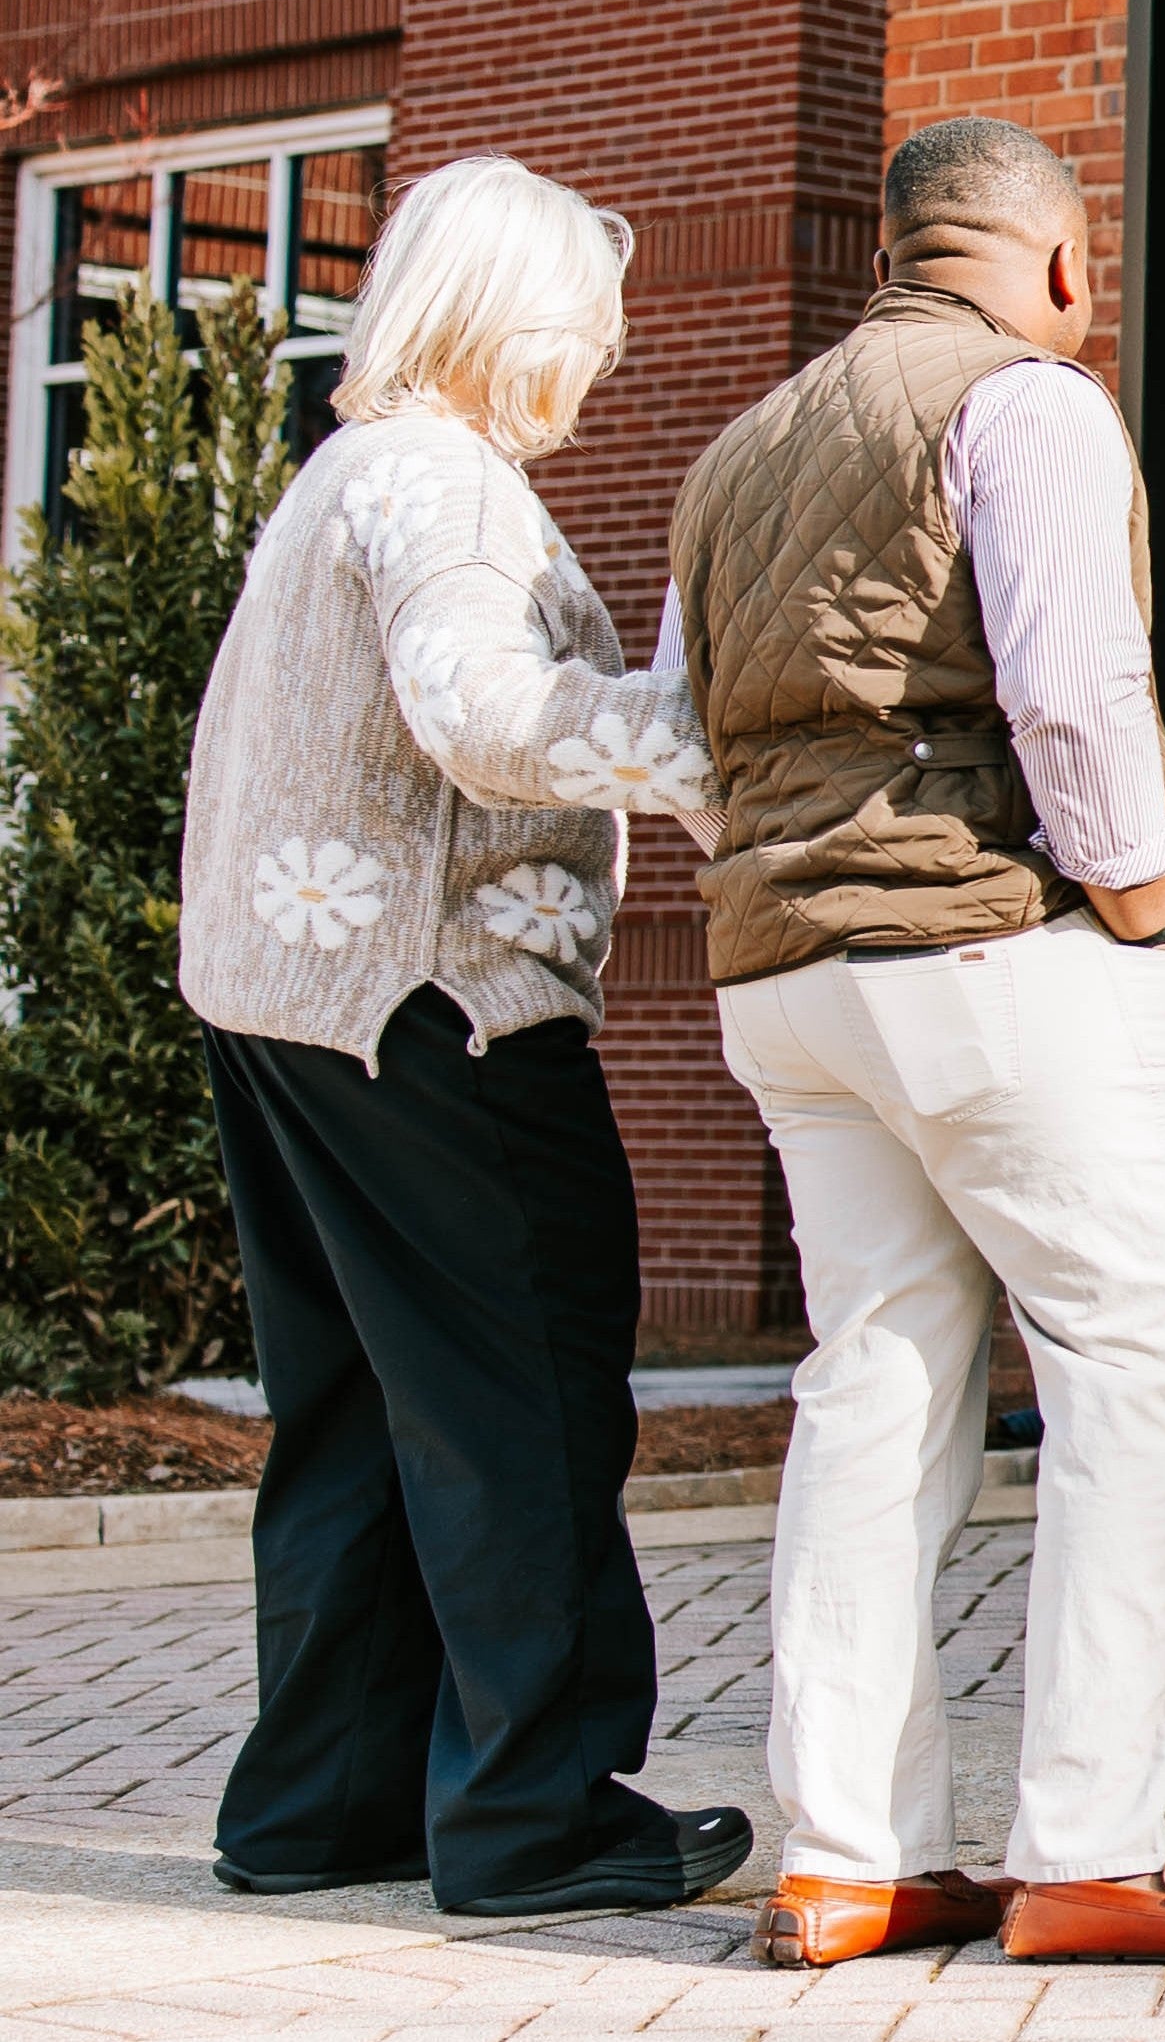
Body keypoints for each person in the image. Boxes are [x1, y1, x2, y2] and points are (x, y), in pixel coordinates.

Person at [673, 119, 1165, 1968]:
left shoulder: (741, 450)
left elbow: (685, 730)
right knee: (1140, 1363)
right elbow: (1071, 694)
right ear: (1061, 264)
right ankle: (1095, 1846)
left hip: (786, 975)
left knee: (876, 1384)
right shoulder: (1029, 402)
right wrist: (1141, 904)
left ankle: (849, 1858)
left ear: (892, 251)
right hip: (990, 945)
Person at [179, 157, 745, 1920]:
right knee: (529, 1392)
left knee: (360, 1403)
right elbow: (481, 711)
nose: (600, 360)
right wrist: (691, 735)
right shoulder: (449, 487)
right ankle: (533, 1814)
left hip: (288, 1002)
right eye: (588, 327)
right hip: (441, 1004)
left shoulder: (342, 472)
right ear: (513, 321)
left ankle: (320, 1802)